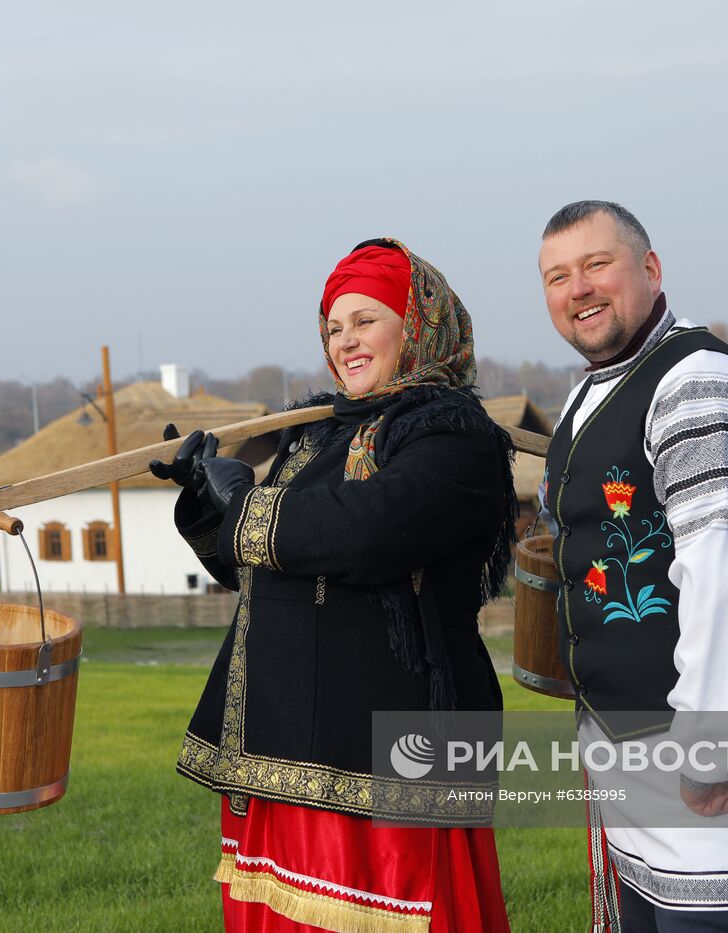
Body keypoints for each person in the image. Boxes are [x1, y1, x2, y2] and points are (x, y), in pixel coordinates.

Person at [154, 238, 517, 932]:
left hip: (389, 756)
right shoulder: (317, 433)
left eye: (365, 319)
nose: (346, 340)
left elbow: (366, 532)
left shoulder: (452, 434)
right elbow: (260, 561)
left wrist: (244, 506)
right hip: (283, 740)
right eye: (333, 326)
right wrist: (207, 502)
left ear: (416, 325)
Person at [536, 201, 728, 932]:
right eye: (558, 276)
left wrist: (711, 747)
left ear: (650, 270)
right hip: (635, 751)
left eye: (597, 265)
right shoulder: (595, 391)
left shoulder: (698, 381)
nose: (578, 289)